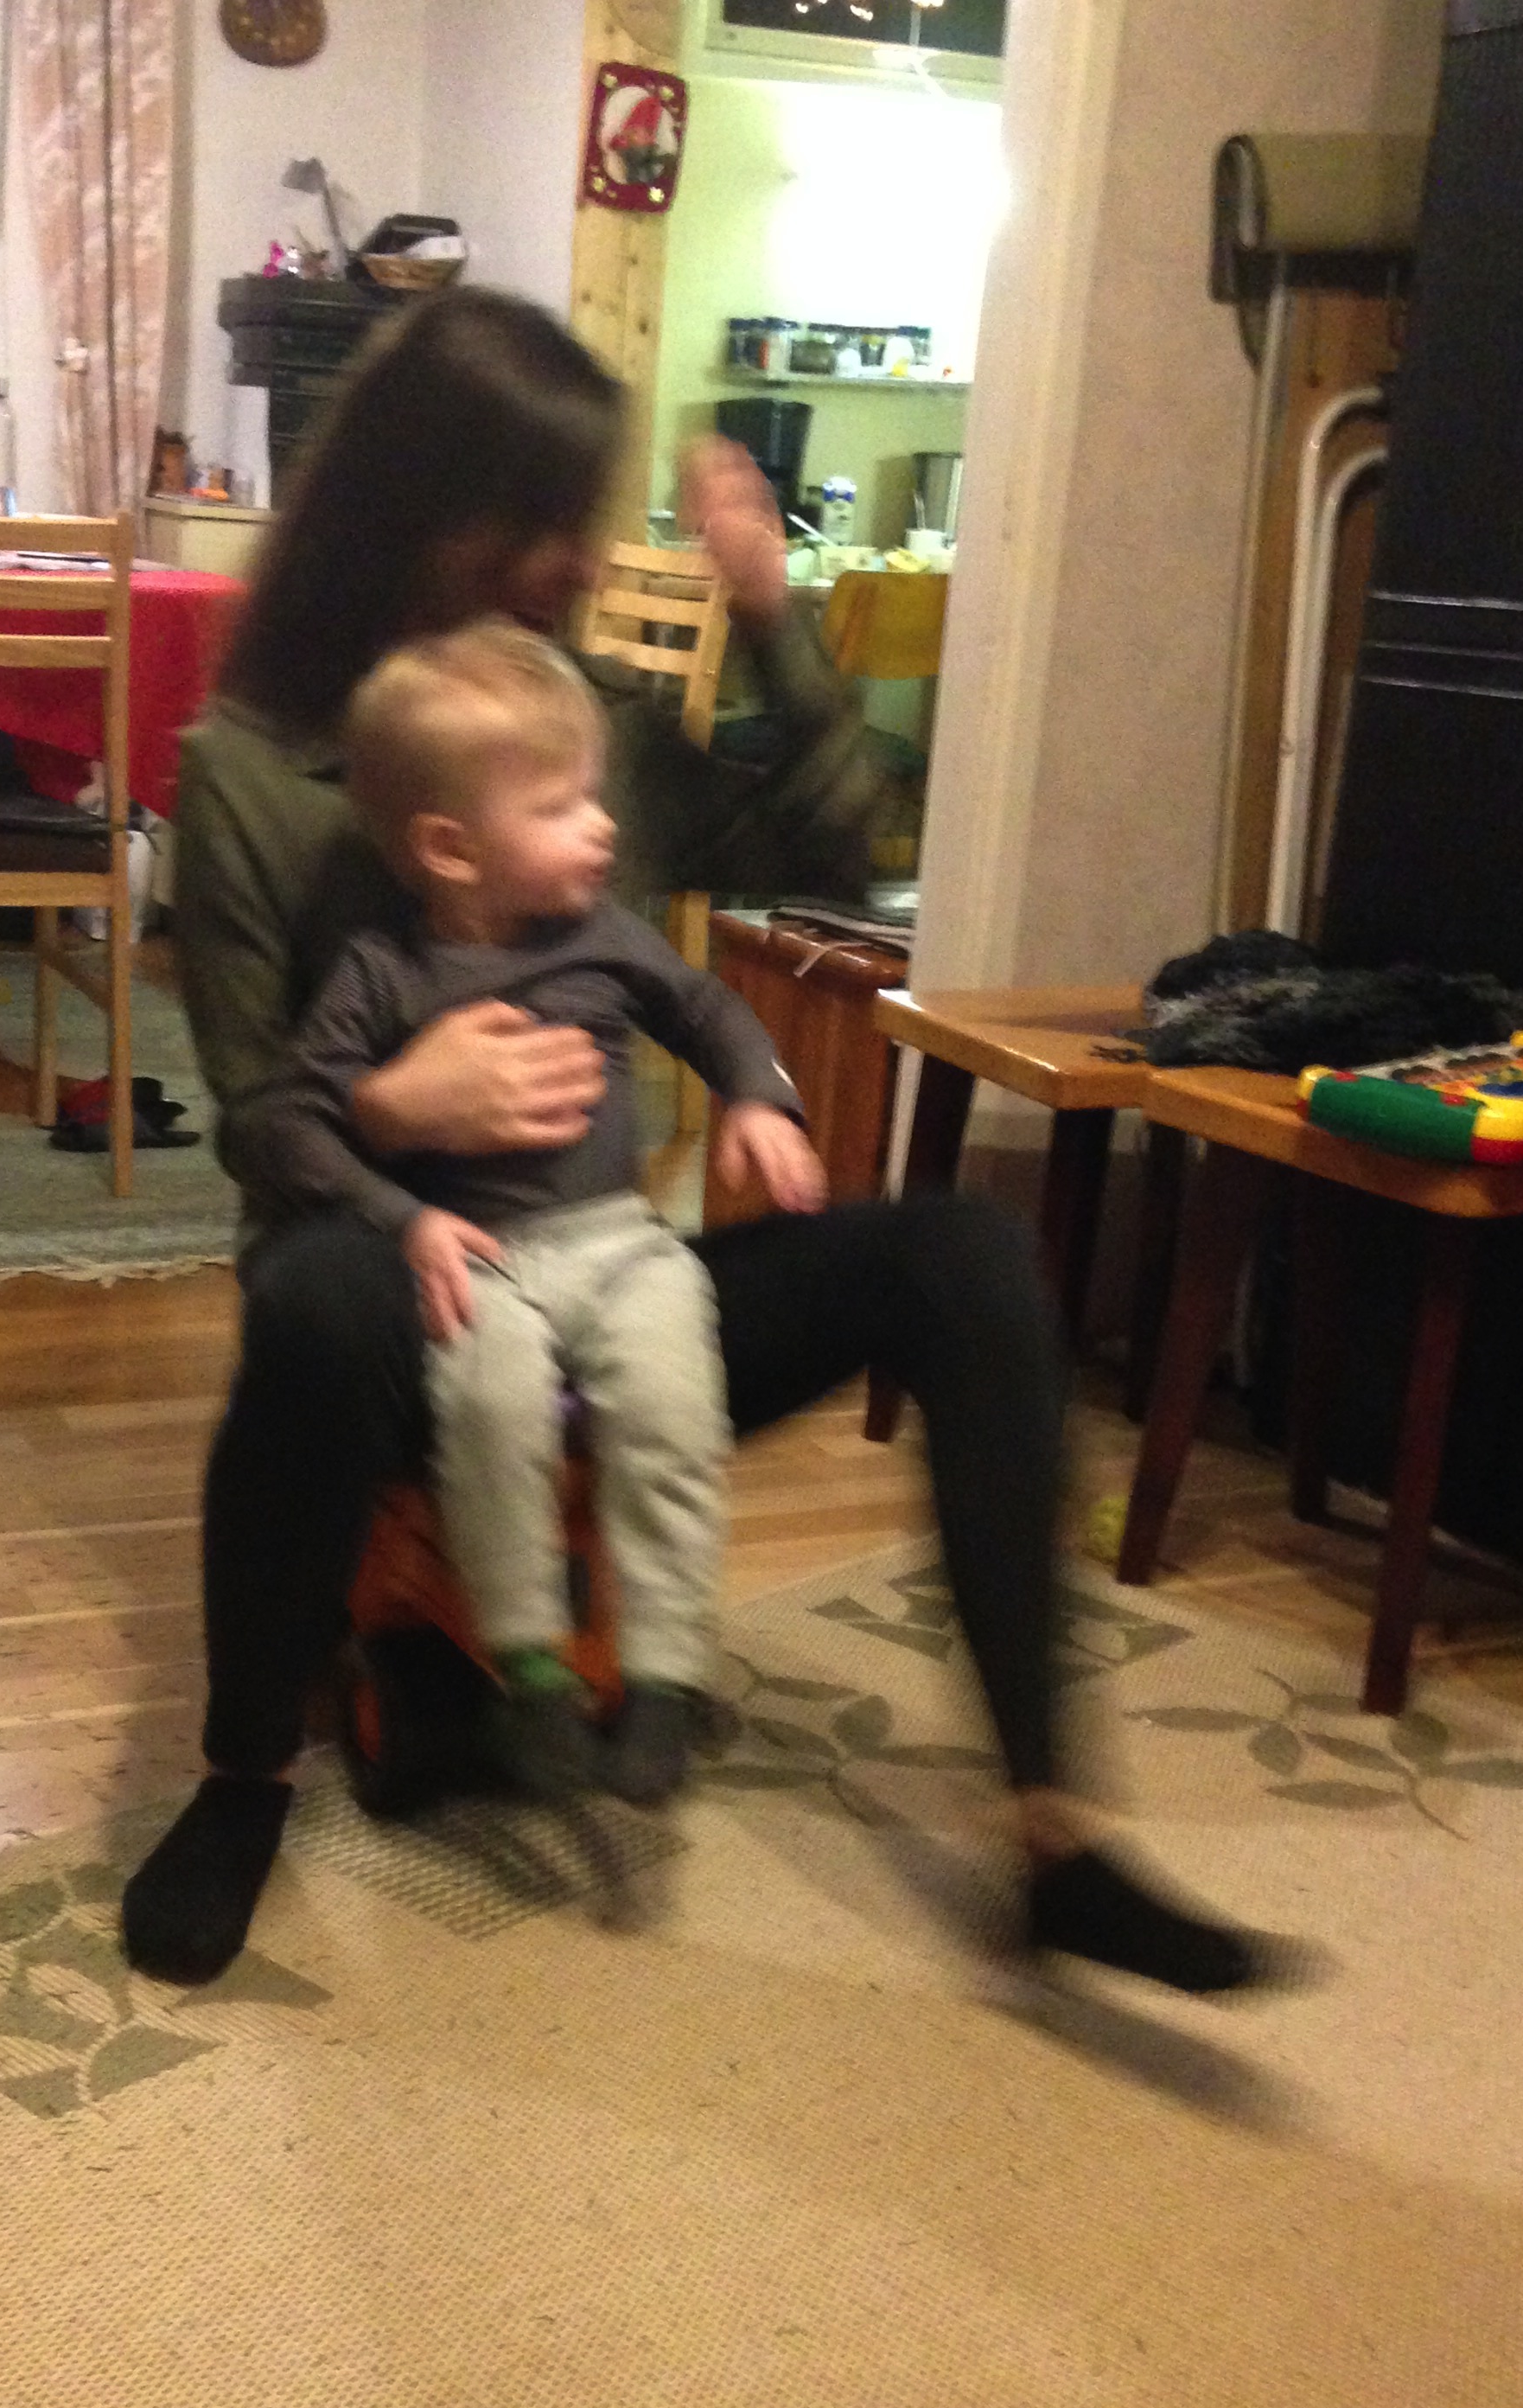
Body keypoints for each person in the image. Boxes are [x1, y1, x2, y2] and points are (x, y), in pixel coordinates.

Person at [123, 284, 1294, 2003]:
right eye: (547, 522)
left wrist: (768, 612)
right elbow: (252, 1129)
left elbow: (829, 844)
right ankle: (241, 1781)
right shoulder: (251, 770)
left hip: (608, 1281)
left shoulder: (576, 722)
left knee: (961, 1252)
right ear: (423, 511)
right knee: (308, 1299)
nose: (585, 561)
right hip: (397, 1294)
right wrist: (392, 1107)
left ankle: (1058, 1839)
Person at [239, 620, 828, 1805]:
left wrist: (760, 1099)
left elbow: (710, 1011)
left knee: (672, 1405)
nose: (601, 827)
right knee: (492, 1406)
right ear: (450, 848)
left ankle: (660, 1675)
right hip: (484, 1259)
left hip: (621, 1243)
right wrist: (404, 1217)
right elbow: (295, 1122)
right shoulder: (382, 973)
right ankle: (531, 1672)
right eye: (560, 807)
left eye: (593, 797)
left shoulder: (610, 940)